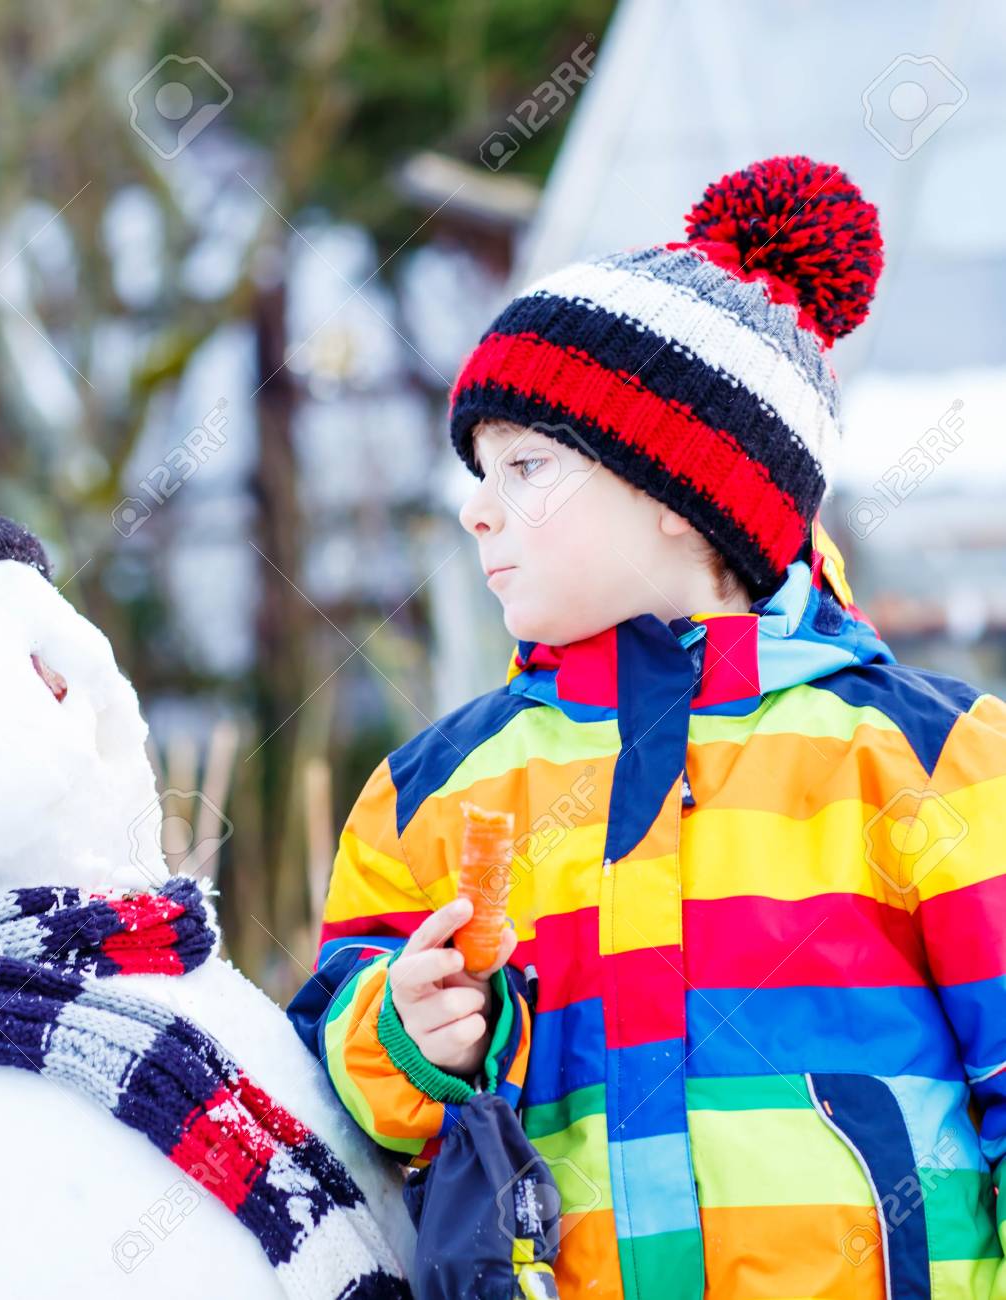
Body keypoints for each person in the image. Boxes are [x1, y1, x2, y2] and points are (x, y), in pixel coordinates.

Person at [287, 155, 1006, 1297]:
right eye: (477, 469)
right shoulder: (432, 793)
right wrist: (405, 1037)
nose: (477, 504)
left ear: (683, 496)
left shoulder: (924, 761)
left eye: (527, 465)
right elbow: (343, 1095)